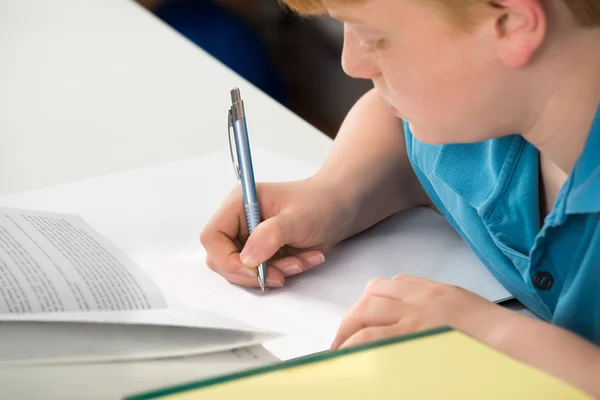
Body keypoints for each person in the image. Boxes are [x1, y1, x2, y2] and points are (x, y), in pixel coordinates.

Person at [200, 0, 600, 395]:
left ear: (511, 22)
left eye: (375, 39)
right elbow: (395, 122)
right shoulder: (485, 110)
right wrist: (335, 193)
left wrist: (497, 335)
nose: (351, 64)